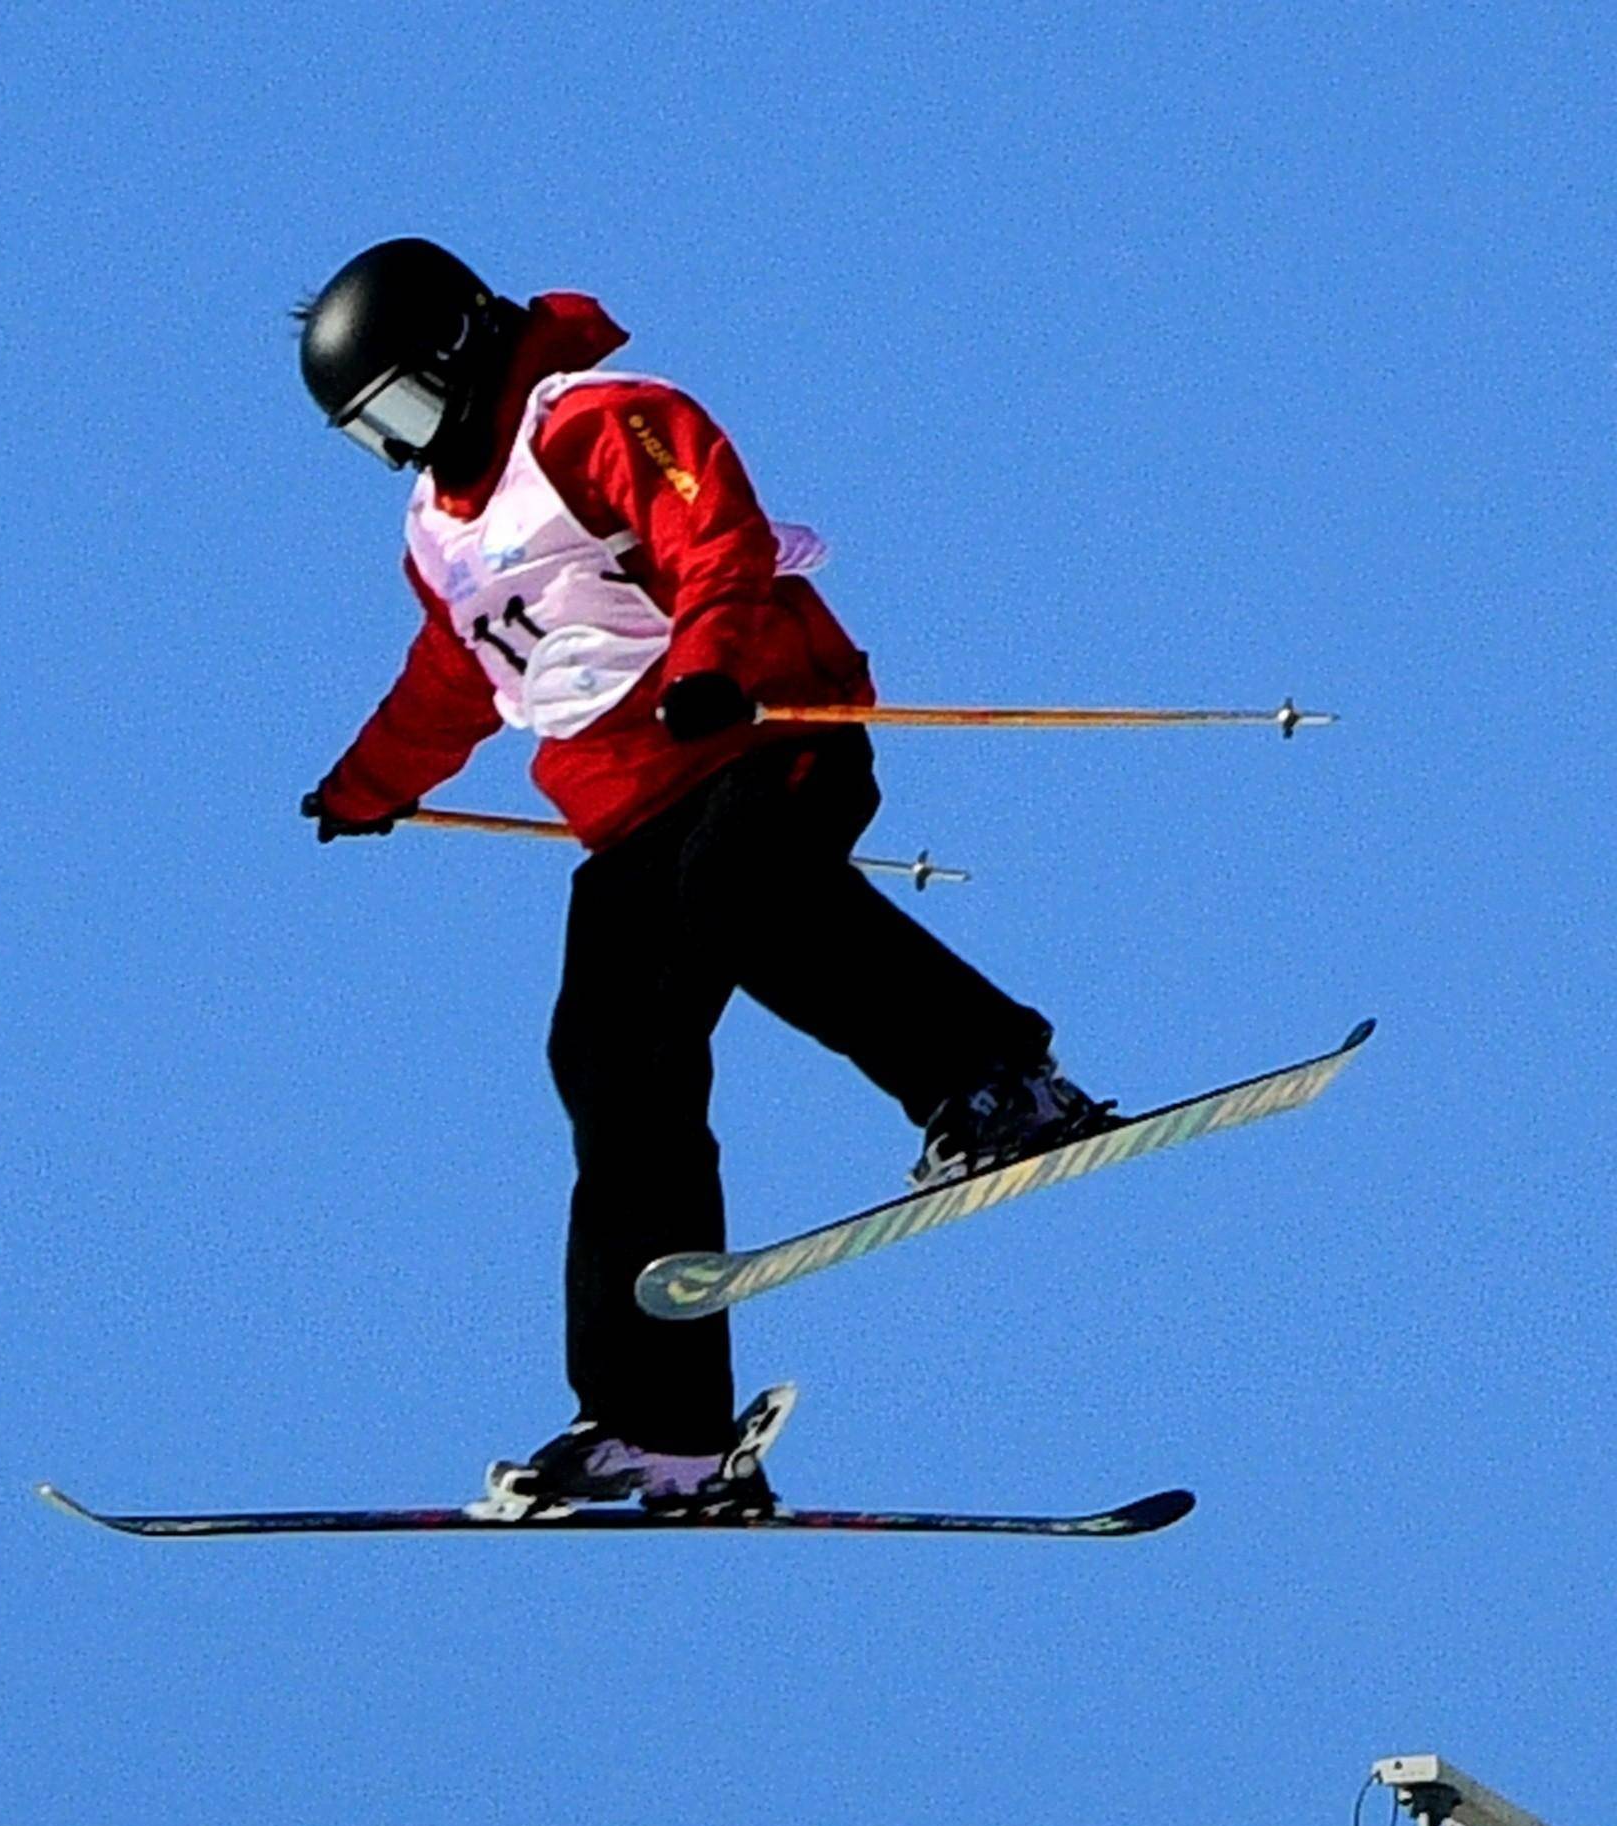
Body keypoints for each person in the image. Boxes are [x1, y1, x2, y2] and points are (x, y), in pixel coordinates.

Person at [295, 238, 1112, 1515]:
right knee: (610, 1060)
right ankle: (656, 1421)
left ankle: (997, 1080)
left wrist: (712, 662)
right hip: (631, 808)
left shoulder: (601, 419)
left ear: (459, 352)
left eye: (401, 409)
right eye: (370, 434)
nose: (401, 450)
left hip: (756, 730)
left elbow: (713, 536)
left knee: (756, 905)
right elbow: (456, 671)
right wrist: (371, 782)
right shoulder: (437, 533)